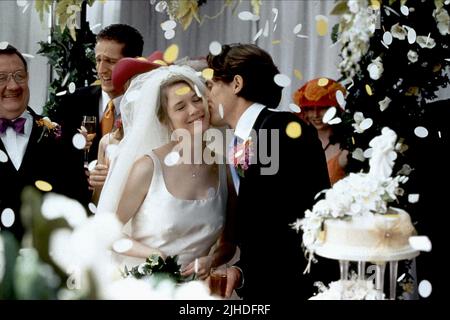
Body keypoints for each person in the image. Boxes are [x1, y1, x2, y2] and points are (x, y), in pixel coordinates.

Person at [206, 43, 332, 299]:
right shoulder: (240, 139)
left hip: (292, 289)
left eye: (212, 84)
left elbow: (290, 227)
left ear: (236, 84)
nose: (207, 95)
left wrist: (247, 271)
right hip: (263, 285)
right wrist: (243, 271)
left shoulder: (282, 131)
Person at [97, 64, 236, 280]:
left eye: (197, 99)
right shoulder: (148, 168)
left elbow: (229, 242)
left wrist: (212, 259)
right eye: (180, 107)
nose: (194, 110)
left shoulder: (224, 169)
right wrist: (154, 255)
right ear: (166, 120)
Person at [0, 45, 88, 241]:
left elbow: (78, 205)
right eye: (2, 78)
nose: (13, 86)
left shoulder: (62, 135)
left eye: (19, 76)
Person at [52, 24, 144, 195]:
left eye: (111, 61)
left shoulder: (146, 107)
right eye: (98, 60)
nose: (101, 70)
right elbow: (55, 160)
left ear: (134, 64)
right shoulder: (72, 102)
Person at [293, 78, 349, 185]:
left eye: (323, 108)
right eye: (310, 109)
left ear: (336, 108)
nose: (315, 114)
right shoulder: (299, 143)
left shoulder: (347, 145)